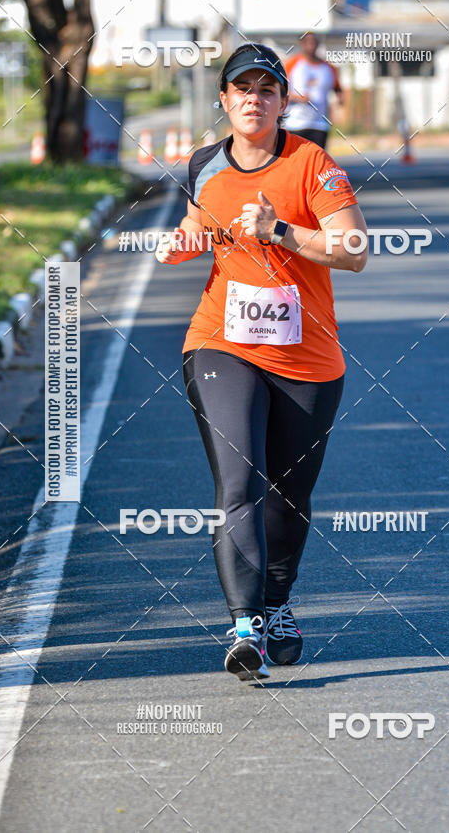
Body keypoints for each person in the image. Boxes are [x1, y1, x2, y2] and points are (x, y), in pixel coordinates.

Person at [156, 41, 367, 681]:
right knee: (239, 481)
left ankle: (276, 602)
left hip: (307, 359)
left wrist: (283, 231)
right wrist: (182, 243)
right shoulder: (204, 165)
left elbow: (354, 249)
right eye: (242, 90)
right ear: (224, 101)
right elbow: (201, 224)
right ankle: (243, 626)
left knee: (288, 496)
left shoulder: (312, 163)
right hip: (222, 342)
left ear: (283, 101)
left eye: (266, 90)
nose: (254, 100)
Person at [283, 32, 343, 149]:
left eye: (314, 42)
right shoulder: (292, 64)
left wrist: (339, 103)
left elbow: (337, 89)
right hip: (295, 123)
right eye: (308, 42)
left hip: (319, 124)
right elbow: (279, 91)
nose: (311, 45)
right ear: (301, 44)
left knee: (318, 163)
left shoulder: (328, 68)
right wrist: (297, 97)